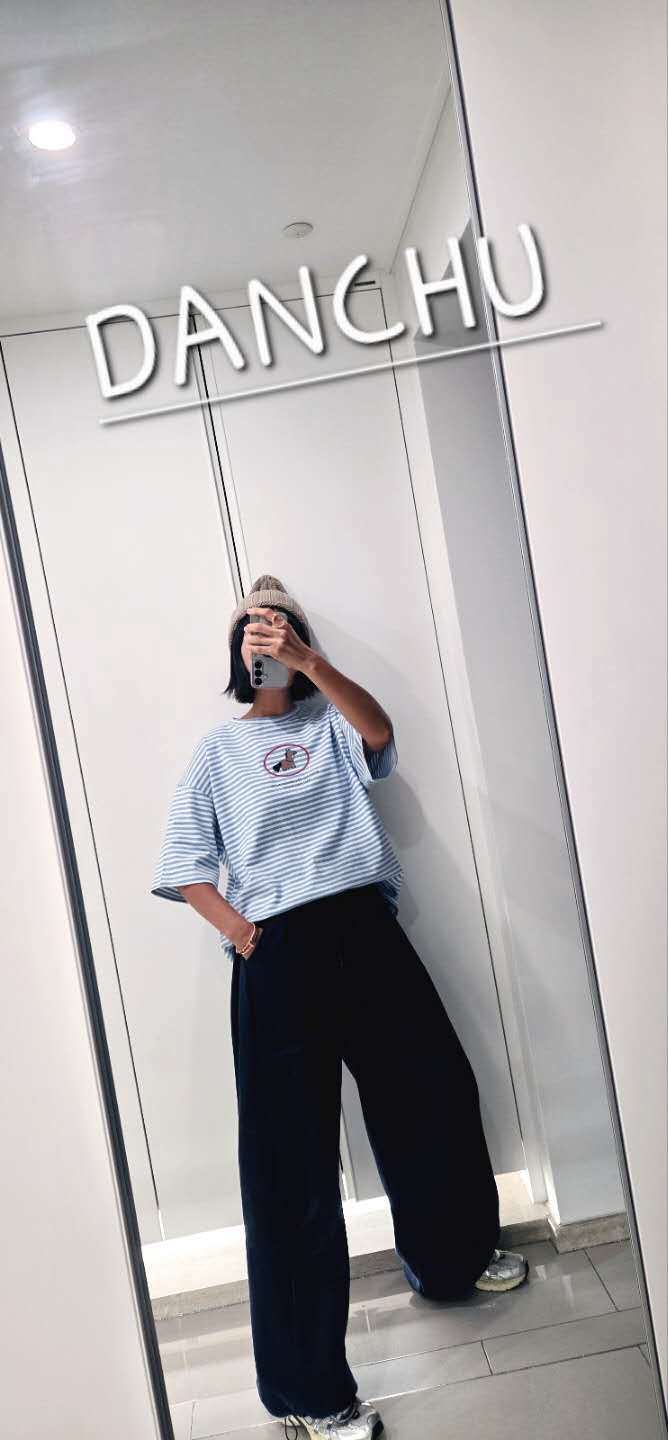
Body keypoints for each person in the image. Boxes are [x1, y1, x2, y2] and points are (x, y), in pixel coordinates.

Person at [151, 574, 529, 1440]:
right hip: (277, 952)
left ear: (300, 639)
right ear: (237, 651)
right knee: (289, 1173)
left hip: (364, 927)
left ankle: (451, 1262)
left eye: (280, 625)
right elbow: (183, 864)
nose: (267, 637)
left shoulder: (331, 723)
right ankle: (311, 1394)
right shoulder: (216, 753)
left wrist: (312, 663)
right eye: (253, 629)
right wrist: (245, 935)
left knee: (431, 1095)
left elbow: (380, 733)